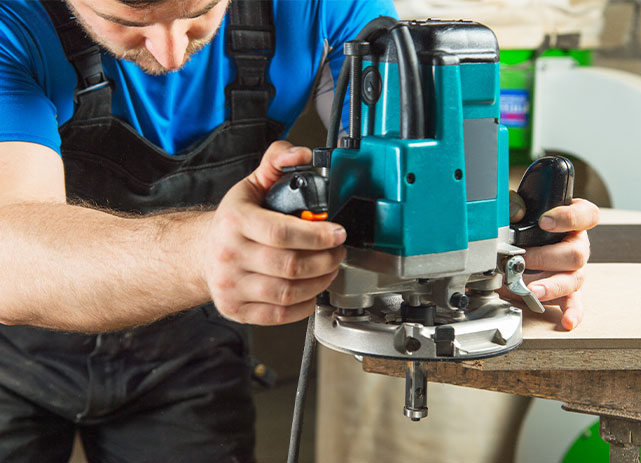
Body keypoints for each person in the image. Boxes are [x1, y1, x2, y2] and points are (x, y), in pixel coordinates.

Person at [0, 0, 599, 461]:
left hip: (188, 350)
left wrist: (493, 231)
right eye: (127, 17)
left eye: (201, 11)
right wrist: (206, 252)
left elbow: (403, 163)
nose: (172, 50)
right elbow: (13, 253)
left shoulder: (321, 6)